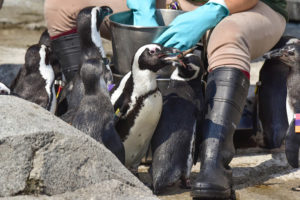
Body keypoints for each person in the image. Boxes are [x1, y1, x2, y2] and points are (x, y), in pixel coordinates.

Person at [44, 0, 288, 199]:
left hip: (242, 8)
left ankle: (214, 164)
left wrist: (215, 9)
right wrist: (143, 6)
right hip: (171, 6)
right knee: (61, 6)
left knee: (229, 37)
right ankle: (89, 127)